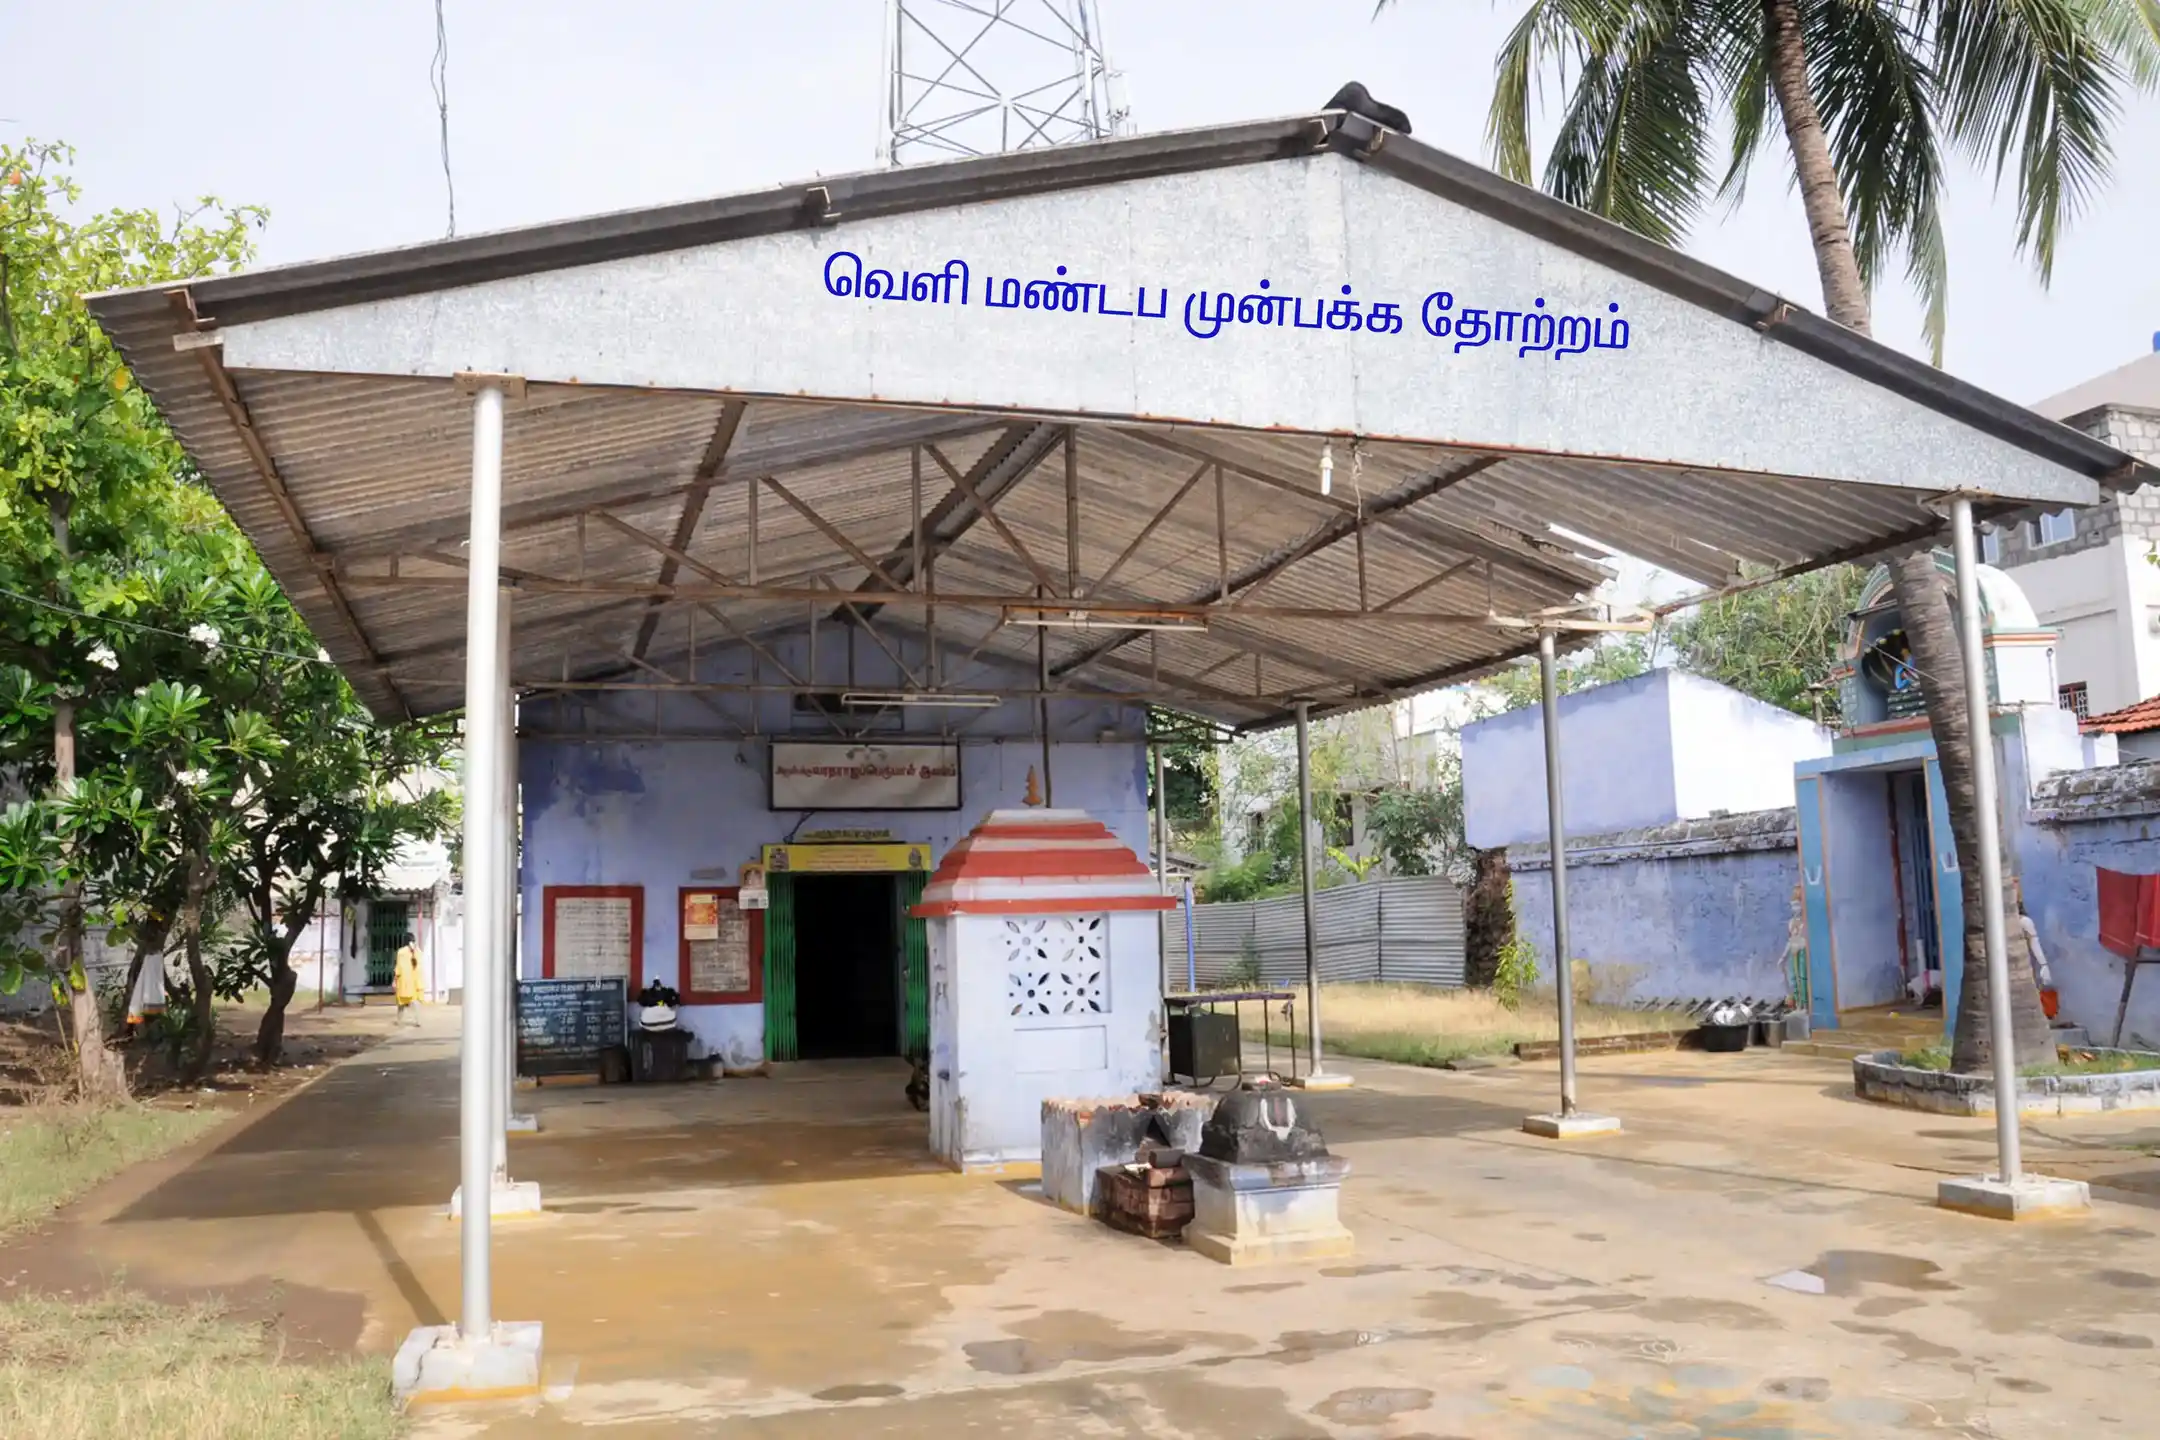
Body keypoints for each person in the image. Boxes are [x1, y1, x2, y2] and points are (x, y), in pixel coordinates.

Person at [392, 933, 422, 1025]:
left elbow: (399, 968)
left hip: (404, 981)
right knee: (415, 1001)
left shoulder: (401, 952)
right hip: (415, 981)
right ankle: (417, 1021)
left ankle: (399, 1020)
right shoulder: (418, 951)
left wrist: (394, 980)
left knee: (401, 1002)